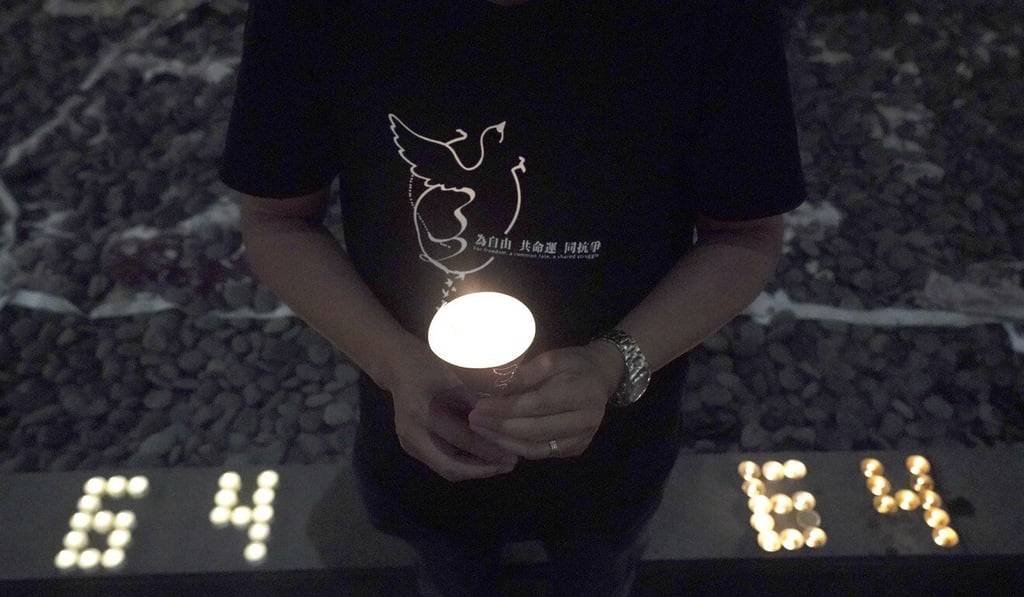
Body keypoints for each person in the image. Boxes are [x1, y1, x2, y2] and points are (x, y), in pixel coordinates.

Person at [220, 1, 806, 594]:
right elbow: (278, 222)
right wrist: (393, 362)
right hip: (419, 440)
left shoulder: (720, 16)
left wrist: (614, 363)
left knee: (600, 566)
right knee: (448, 566)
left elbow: (744, 235)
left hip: (618, 453)